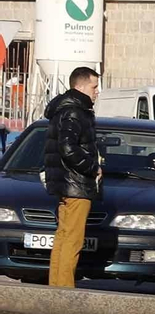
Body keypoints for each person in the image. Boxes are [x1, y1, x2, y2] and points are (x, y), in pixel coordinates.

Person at [43, 67, 100, 288]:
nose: (97, 92)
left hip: (65, 184)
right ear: (81, 86)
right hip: (76, 184)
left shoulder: (63, 109)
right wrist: (92, 168)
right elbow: (68, 147)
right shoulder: (75, 111)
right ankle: (65, 290)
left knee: (63, 236)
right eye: (94, 87)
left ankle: (56, 286)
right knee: (72, 239)